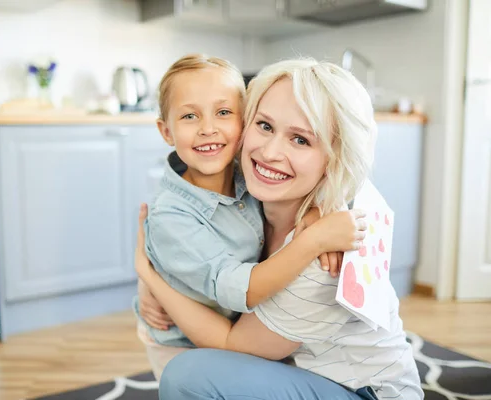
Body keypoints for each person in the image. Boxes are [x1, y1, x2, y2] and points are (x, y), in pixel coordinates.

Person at [135, 58, 424, 399]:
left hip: (364, 391)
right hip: (302, 369)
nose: (270, 153)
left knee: (188, 376)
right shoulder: (245, 190)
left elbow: (233, 344)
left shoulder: (327, 254)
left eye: (301, 140)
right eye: (266, 126)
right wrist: (158, 277)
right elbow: (189, 247)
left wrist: (150, 274)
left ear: (335, 157)